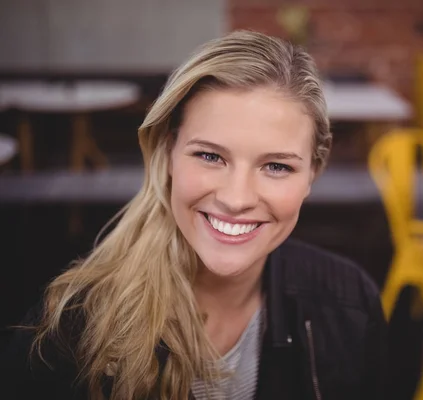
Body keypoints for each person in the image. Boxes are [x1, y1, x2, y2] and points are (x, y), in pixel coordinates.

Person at [0, 30, 388, 399]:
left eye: (276, 167)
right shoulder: (70, 328)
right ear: (168, 153)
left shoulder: (350, 303)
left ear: (312, 174)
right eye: (209, 156)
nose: (236, 199)